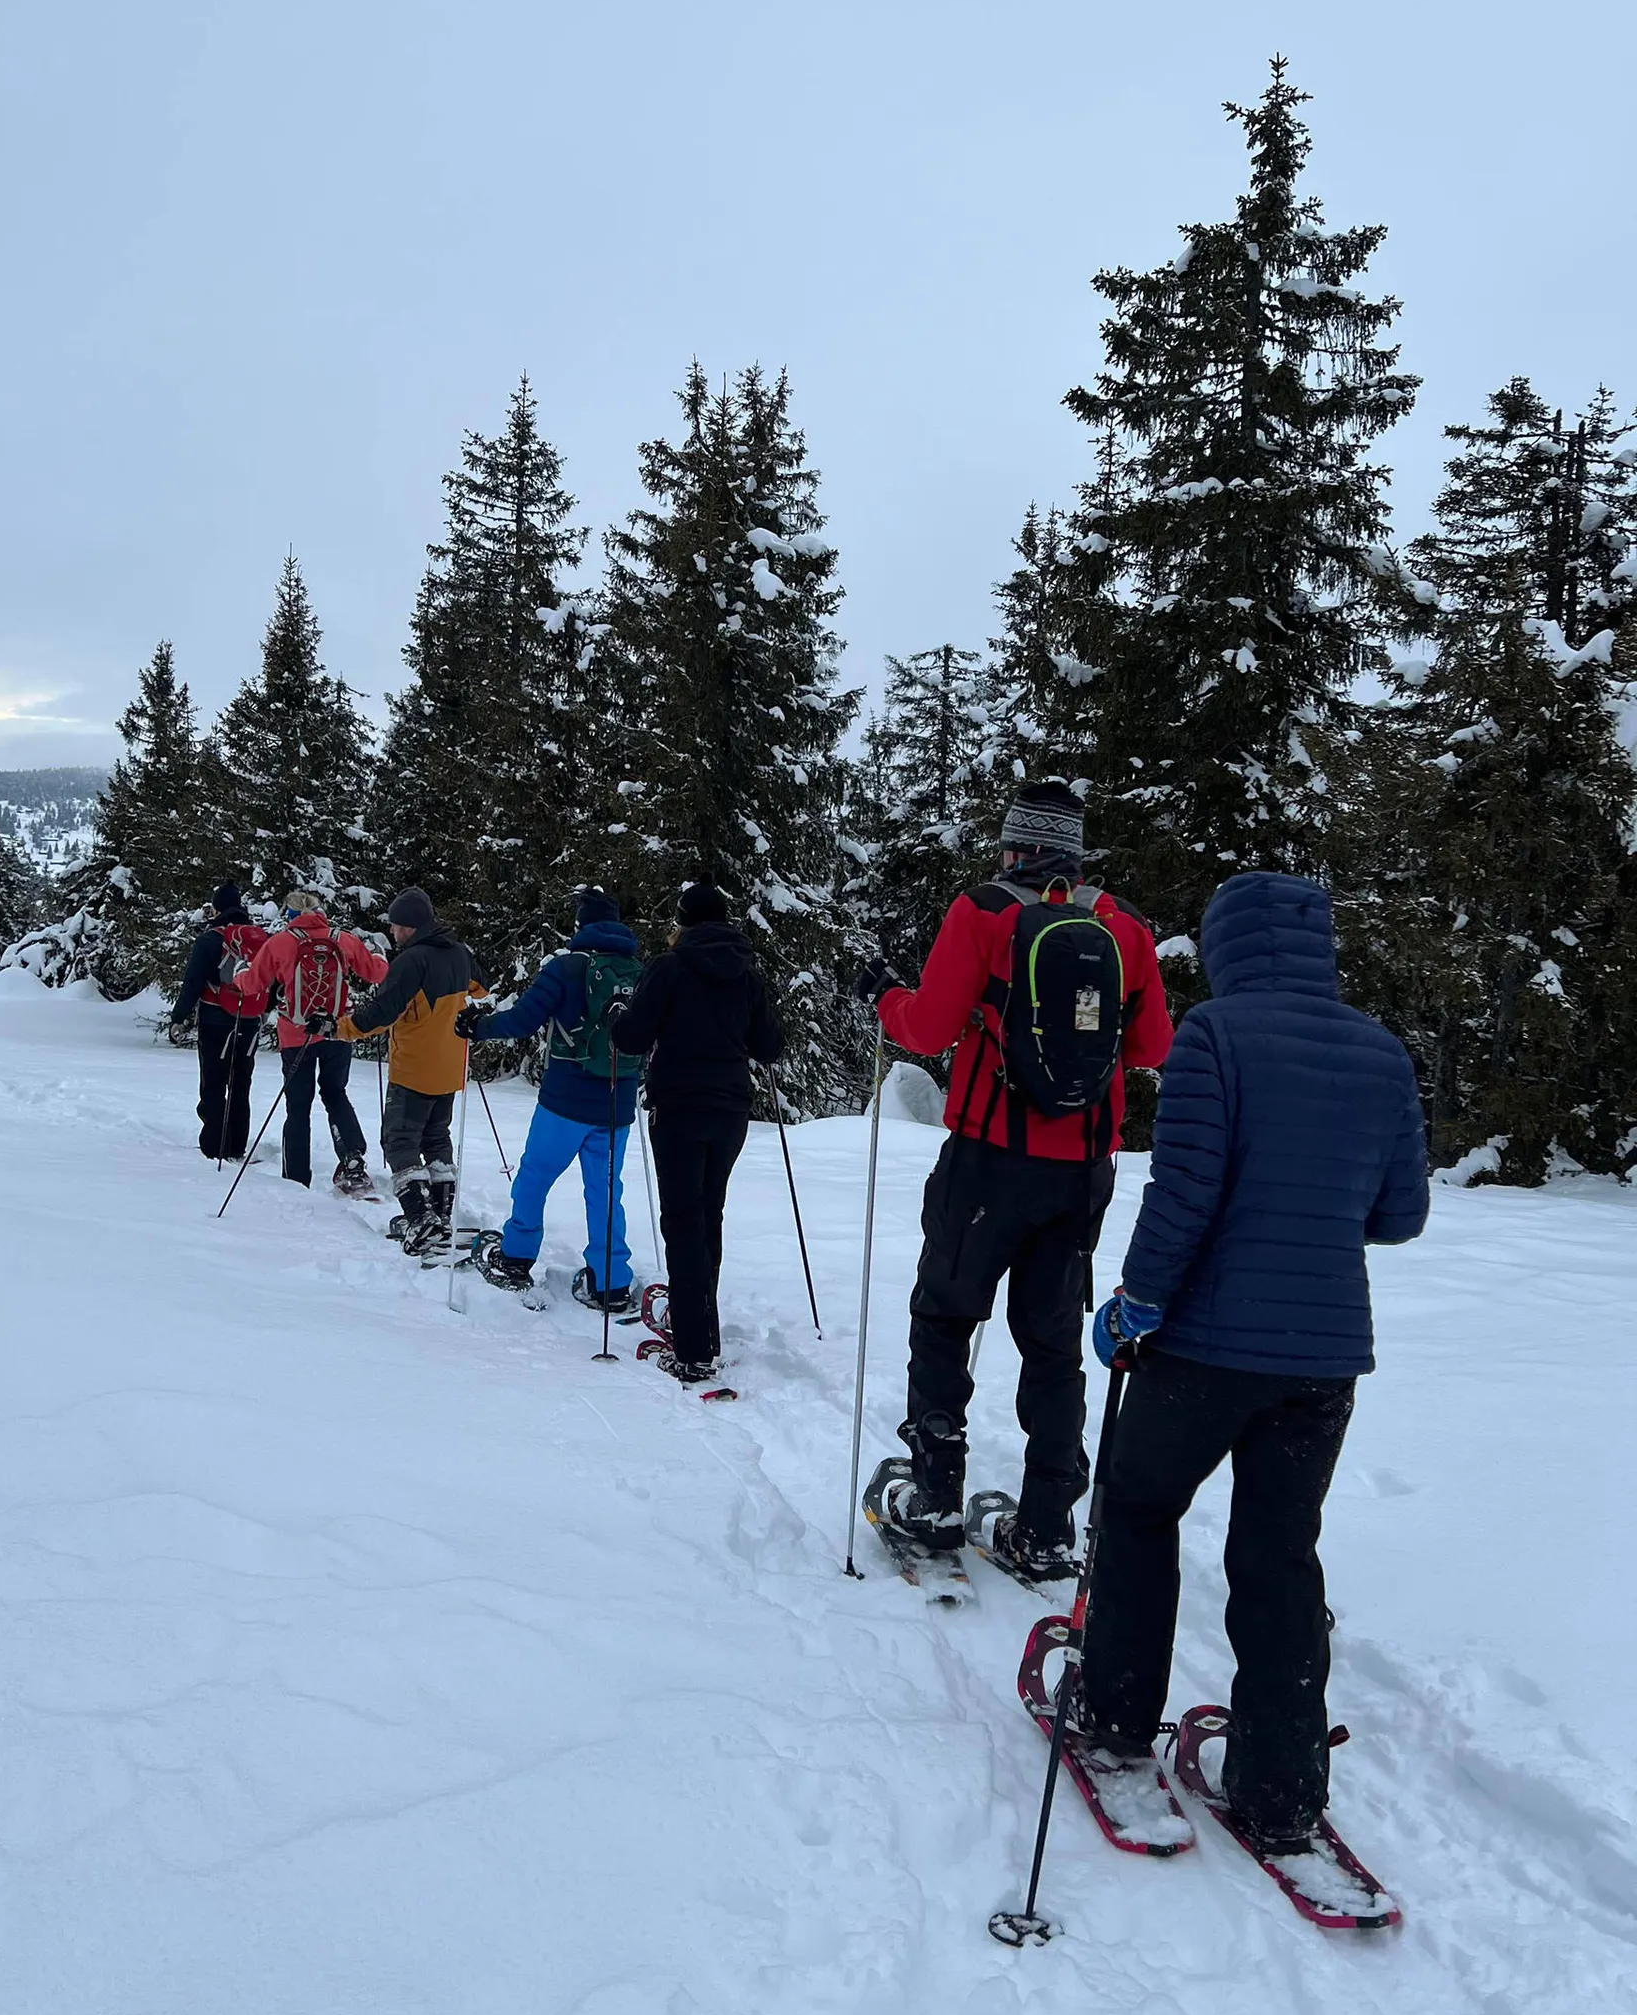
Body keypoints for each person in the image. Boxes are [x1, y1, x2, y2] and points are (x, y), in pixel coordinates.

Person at [1078, 871, 1428, 1851]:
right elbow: (1400, 1215)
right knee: (1278, 1556)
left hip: (1204, 1346)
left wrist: (1135, 1304)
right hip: (1324, 1360)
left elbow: (1181, 1197)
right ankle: (1281, 1790)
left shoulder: (1216, 1037)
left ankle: (1112, 1717)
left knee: (1141, 1507)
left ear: (1227, 946)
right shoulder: (1381, 1052)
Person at [857, 781, 1173, 1570]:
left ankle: (933, 1497)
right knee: (1052, 1339)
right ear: (1072, 847)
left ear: (1014, 844)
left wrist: (884, 999)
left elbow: (927, 1027)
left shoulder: (985, 910)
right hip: (1080, 1172)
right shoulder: (1125, 925)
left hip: (987, 1161)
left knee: (944, 1317)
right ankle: (1044, 1523)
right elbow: (1151, 1048)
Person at [605, 881, 783, 1383]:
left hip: (679, 1106)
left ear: (683, 923)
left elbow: (634, 1036)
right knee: (709, 1216)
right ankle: (700, 1327)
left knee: (683, 1222)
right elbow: (769, 1045)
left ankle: (692, 1347)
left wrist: (616, 1014)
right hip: (729, 1111)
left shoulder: (670, 966)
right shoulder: (746, 971)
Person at [456, 888, 641, 1314]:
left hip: (564, 1101)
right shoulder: (638, 971)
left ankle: (517, 1258)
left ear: (581, 926)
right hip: (617, 1103)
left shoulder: (565, 968)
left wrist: (477, 1026)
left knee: (535, 1176)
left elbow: (523, 1020)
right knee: (606, 1190)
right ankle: (610, 1284)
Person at [346, 887, 485, 1255]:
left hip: (414, 1068)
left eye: (395, 926)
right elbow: (482, 988)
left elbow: (380, 1014)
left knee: (399, 1141)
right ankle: (438, 1215)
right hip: (450, 1066)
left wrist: (337, 1028)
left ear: (409, 926)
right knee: (436, 1137)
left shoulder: (412, 960)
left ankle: (421, 1219)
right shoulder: (458, 953)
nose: (392, 933)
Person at [232, 892, 387, 1192]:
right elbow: (375, 972)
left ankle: (296, 1178)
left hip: (295, 1033)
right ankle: (352, 1160)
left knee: (298, 1106)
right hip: (337, 1031)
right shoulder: (342, 939)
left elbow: (252, 985)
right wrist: (378, 953)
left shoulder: (280, 942)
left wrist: (238, 973)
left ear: (289, 915)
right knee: (335, 1094)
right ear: (320, 912)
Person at [168, 880, 268, 1162]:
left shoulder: (210, 939)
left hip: (215, 1018)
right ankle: (237, 1145)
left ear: (217, 908)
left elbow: (193, 982)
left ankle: (214, 1146)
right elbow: (272, 978)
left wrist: (179, 1018)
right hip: (249, 1018)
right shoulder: (258, 937)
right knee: (241, 1083)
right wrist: (265, 1009)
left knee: (213, 1082)